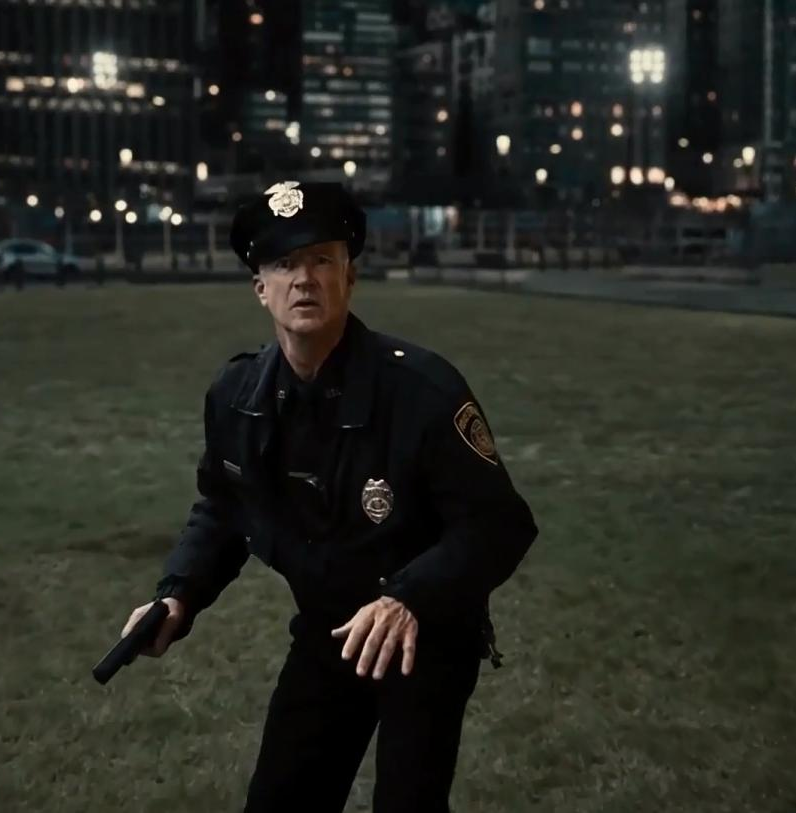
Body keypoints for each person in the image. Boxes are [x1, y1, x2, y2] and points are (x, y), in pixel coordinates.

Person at [119, 181, 538, 813]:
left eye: (321, 259)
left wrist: (409, 596)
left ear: (350, 276)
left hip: (424, 633)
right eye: (284, 264)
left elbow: (499, 523)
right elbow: (224, 506)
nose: (304, 279)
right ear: (260, 288)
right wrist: (178, 594)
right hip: (328, 631)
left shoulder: (421, 389)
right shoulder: (237, 394)